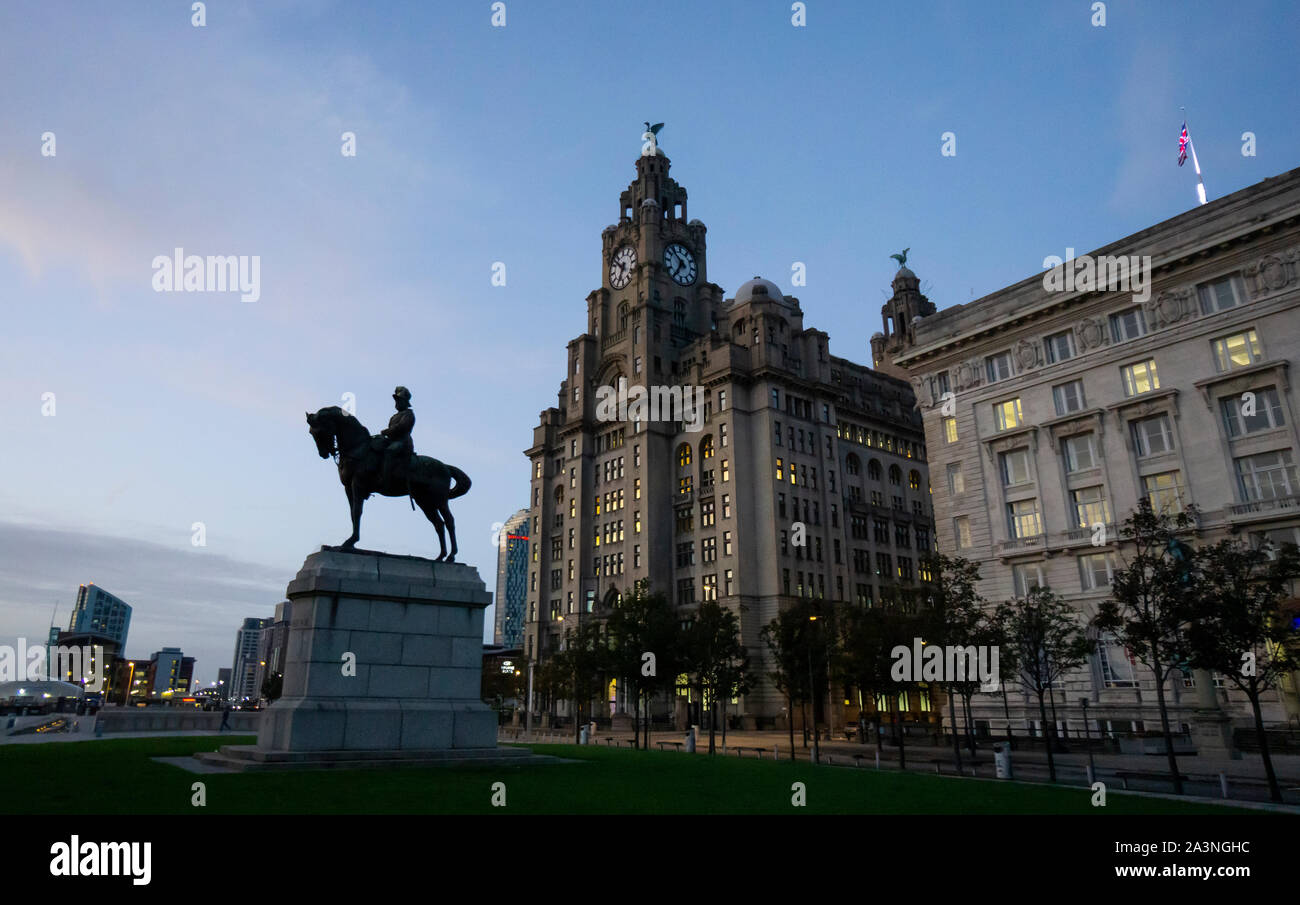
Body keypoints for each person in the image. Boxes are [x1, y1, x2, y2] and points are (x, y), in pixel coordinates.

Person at [375, 386, 416, 491]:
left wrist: (386, 431)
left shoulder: (409, 414)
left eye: (399, 401)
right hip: (392, 441)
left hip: (403, 442)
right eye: (397, 401)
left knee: (389, 452)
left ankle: (385, 479)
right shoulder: (394, 417)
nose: (397, 403)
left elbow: (402, 427)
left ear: (405, 402)